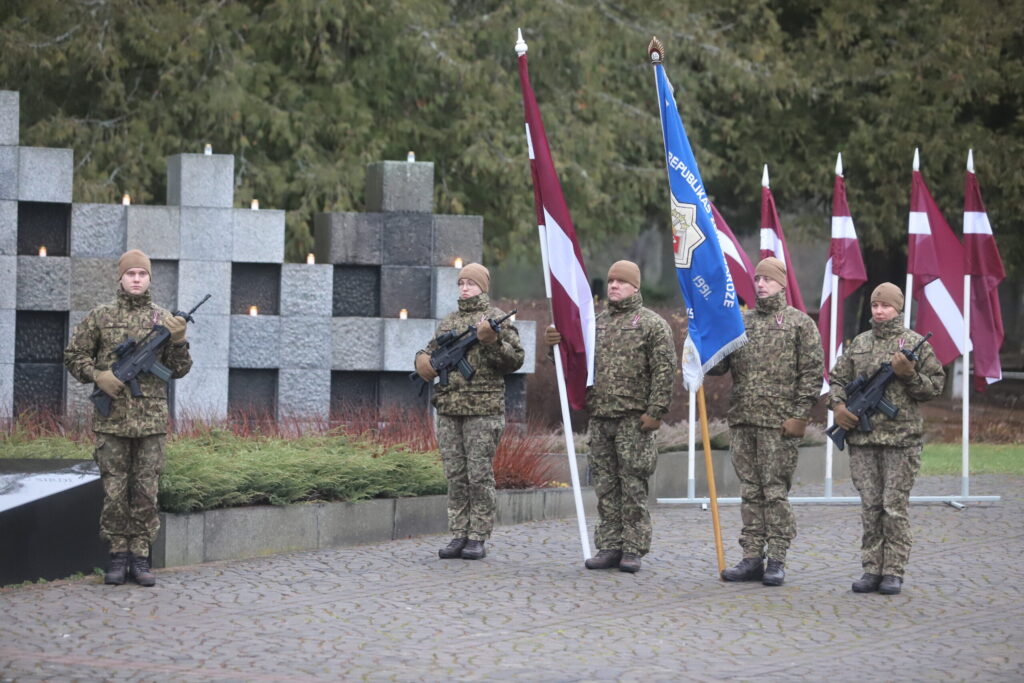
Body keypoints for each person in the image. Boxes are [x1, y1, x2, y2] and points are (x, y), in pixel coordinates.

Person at [64, 249, 192, 587]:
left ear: (149, 279)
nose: (136, 279)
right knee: (114, 491)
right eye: (131, 273)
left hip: (151, 423)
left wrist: (179, 341)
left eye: (142, 274)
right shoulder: (100, 316)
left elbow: (178, 370)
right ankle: (118, 556)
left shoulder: (164, 319)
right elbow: (73, 356)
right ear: (120, 278)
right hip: (112, 423)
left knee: (146, 491)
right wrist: (98, 375)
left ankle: (141, 557)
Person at [545, 260, 676, 573]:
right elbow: (575, 362)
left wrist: (656, 411)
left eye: (621, 281)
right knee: (605, 486)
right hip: (602, 417)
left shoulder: (652, 324)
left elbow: (664, 370)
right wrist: (556, 345)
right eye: (611, 281)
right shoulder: (594, 323)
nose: (614, 286)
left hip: (634, 420)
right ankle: (609, 545)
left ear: (635, 286)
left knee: (632, 486)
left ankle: (633, 548)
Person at [709, 256, 823, 586]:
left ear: (781, 284)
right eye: (757, 279)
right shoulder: (740, 323)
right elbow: (719, 366)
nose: (760, 284)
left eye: (767, 279)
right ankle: (751, 557)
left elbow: (811, 373)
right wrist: (703, 340)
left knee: (774, 492)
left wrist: (800, 415)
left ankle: (776, 558)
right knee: (750, 491)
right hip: (744, 419)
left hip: (779, 423)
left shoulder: (799, 324)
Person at [830, 282, 944, 595]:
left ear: (898, 308)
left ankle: (893, 571)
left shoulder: (915, 343)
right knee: (871, 506)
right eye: (875, 305)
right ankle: (871, 569)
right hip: (863, 441)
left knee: (893, 507)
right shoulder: (860, 342)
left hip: (901, 441)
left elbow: (934, 387)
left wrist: (910, 375)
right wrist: (838, 407)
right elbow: (837, 379)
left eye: (886, 306)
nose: (879, 311)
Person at [414, 263, 524, 560]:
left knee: (479, 475)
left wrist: (493, 342)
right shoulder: (450, 321)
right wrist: (422, 361)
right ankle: (458, 533)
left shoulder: (496, 319)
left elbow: (515, 360)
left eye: (471, 284)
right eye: (461, 283)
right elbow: (430, 351)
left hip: (483, 410)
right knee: (455, 475)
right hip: (449, 408)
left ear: (482, 287)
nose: (465, 288)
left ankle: (477, 536)